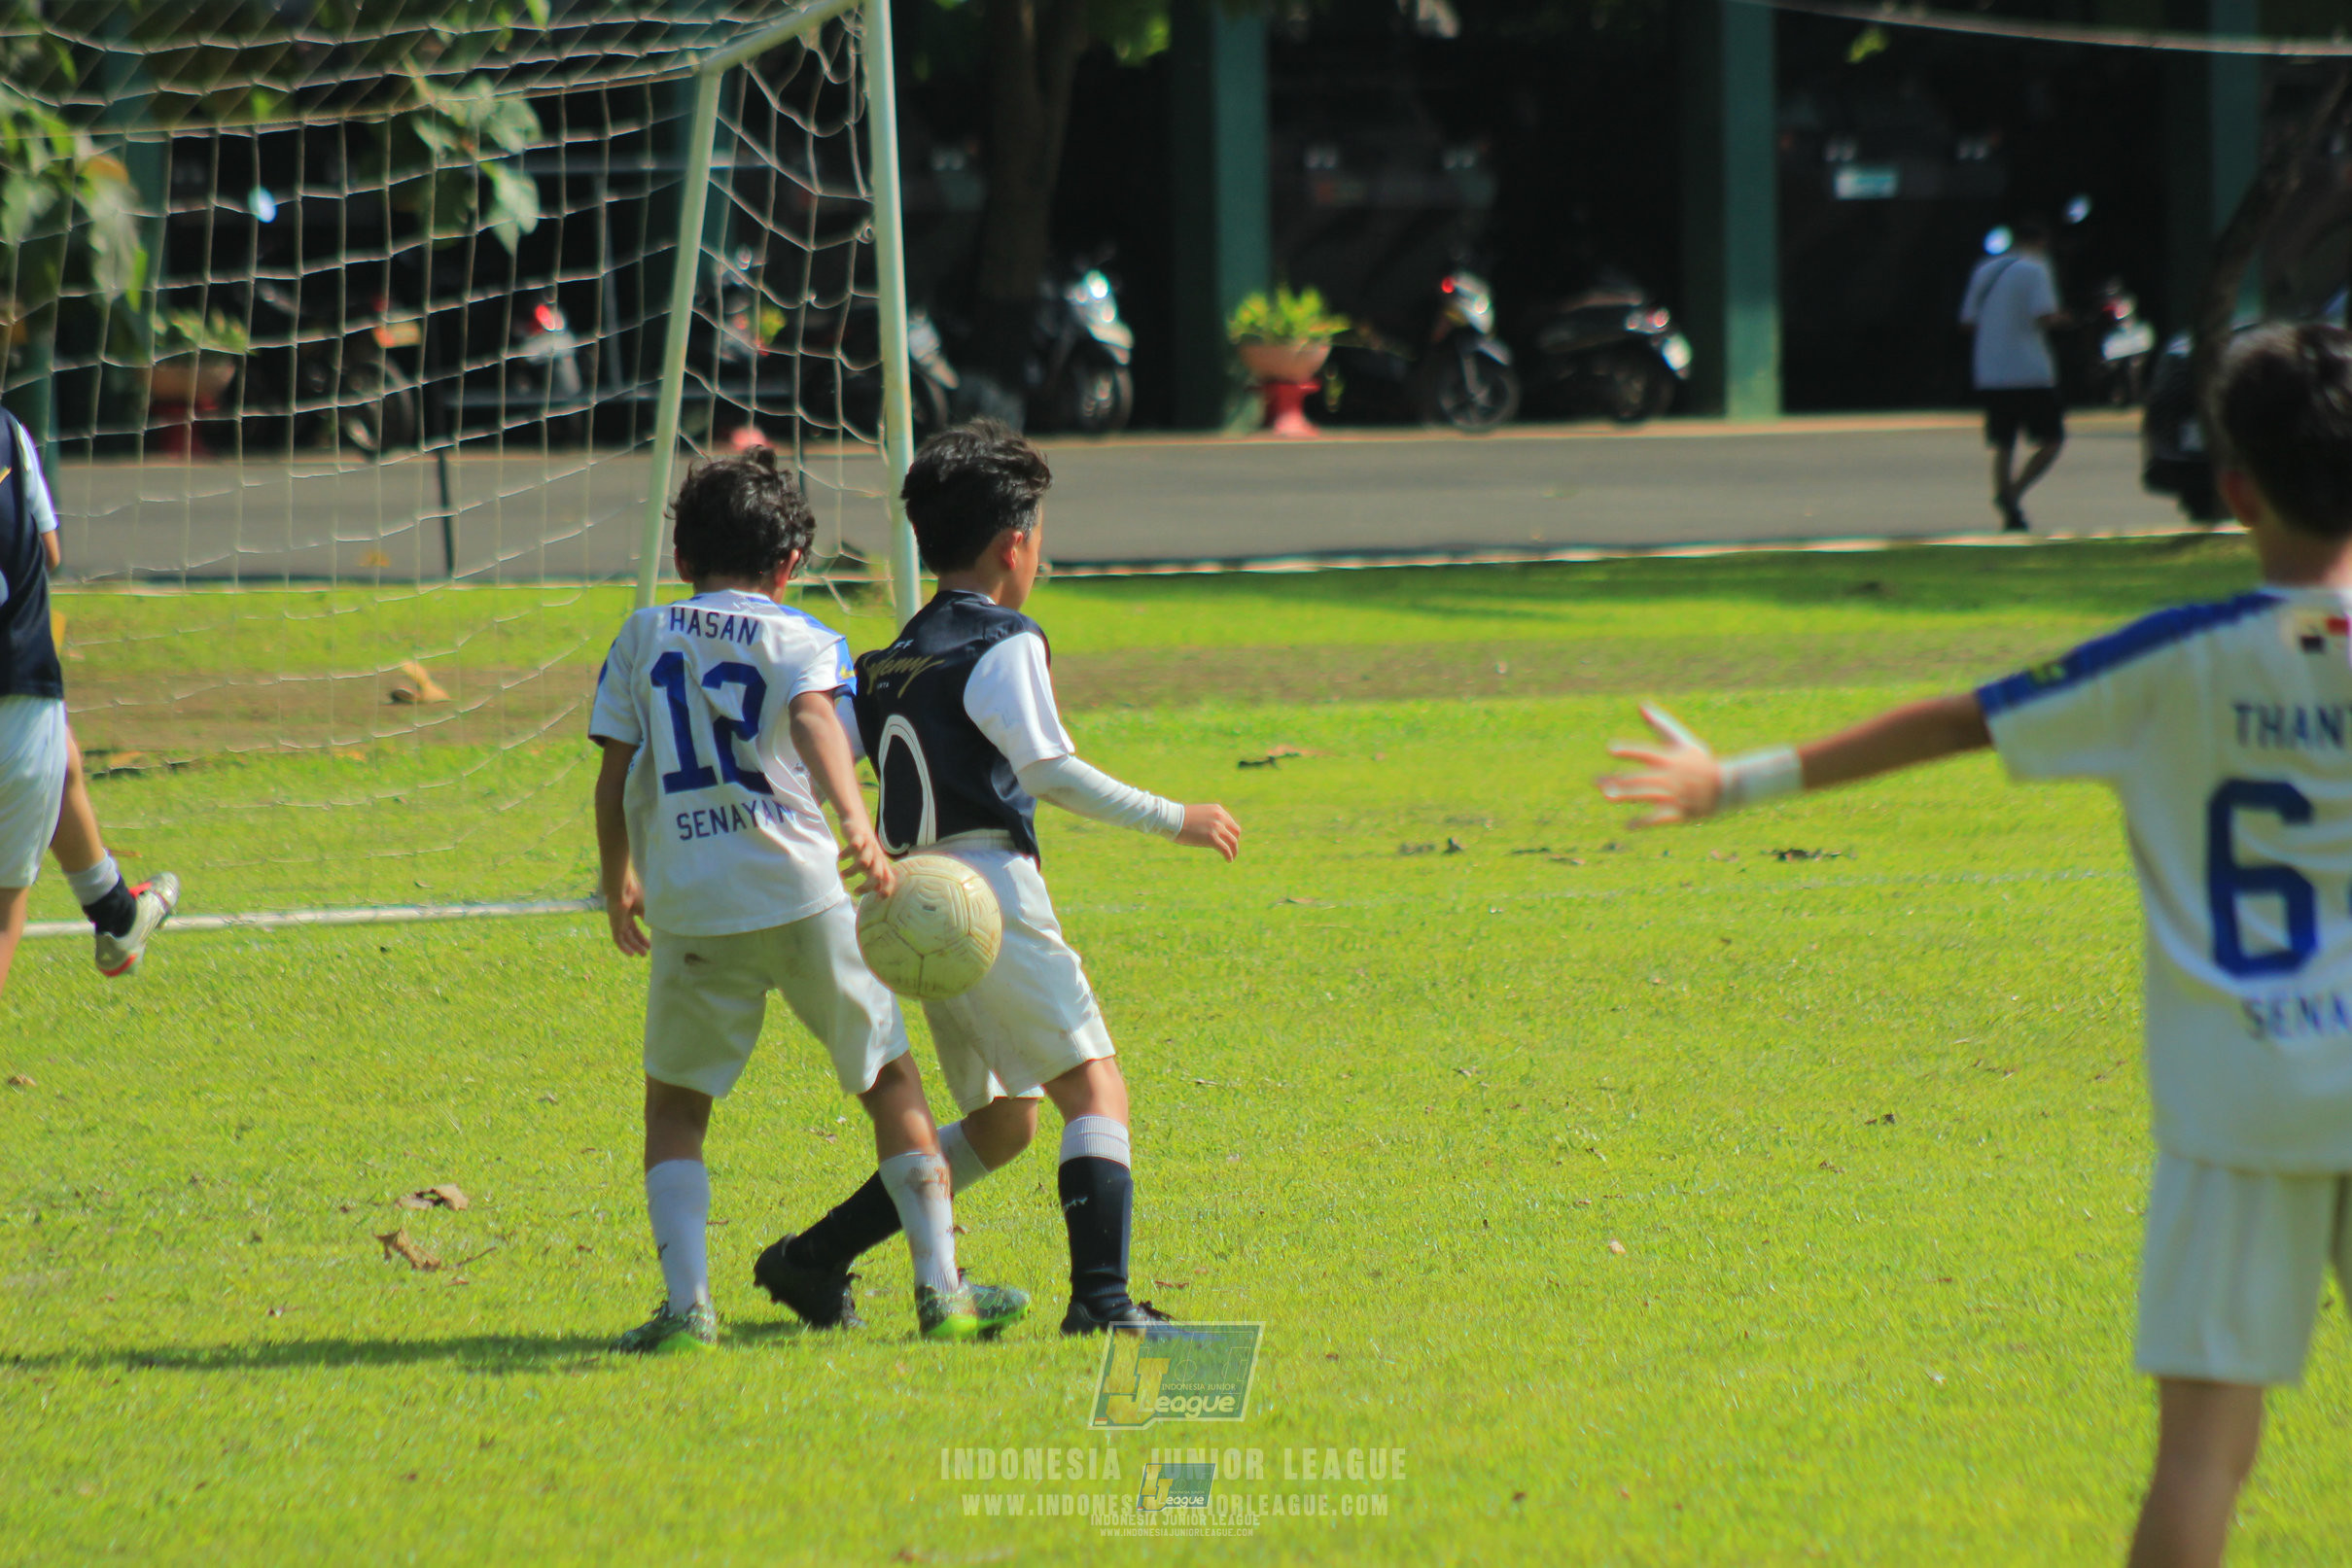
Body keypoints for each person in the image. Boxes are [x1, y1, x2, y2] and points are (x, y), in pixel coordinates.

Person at [1596, 322, 2352, 1568]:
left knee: (2205, 1458)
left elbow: (1959, 720)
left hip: (2238, 1110)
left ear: (2232, 490)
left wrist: (1728, 781)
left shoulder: (2175, 660)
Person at [753, 421, 1242, 1337]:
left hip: (910, 906)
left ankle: (811, 1258)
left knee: (1005, 1122)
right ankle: (1100, 1303)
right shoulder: (1003, 640)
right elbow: (1049, 769)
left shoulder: (888, 659)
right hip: (985, 895)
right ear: (1015, 542)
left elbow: (811, 749)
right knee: (1094, 1089)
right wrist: (1178, 817)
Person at [587, 450, 1026, 1352]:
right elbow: (822, 721)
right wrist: (855, 822)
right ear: (788, 566)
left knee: (676, 1106)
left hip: (692, 905)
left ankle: (686, 1308)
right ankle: (941, 1291)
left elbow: (614, 769)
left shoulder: (640, 635)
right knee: (887, 1079)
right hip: (800, 890)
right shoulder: (801, 638)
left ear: (680, 557)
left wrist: (616, 872)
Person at [0, 406, 177, 995]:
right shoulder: (9, 433)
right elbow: (49, 552)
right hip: (19, 690)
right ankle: (117, 916)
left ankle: (116, 915)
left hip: (30, 716)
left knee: (60, 756)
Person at [1960, 218, 2072, 533]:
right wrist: (2065, 319)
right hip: (2031, 371)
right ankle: (2013, 493)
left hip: (1992, 371)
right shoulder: (2036, 269)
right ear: (2040, 242)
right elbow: (2045, 316)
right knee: (2052, 439)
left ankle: (2007, 502)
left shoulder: (1984, 270)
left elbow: (1967, 322)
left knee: (2003, 442)